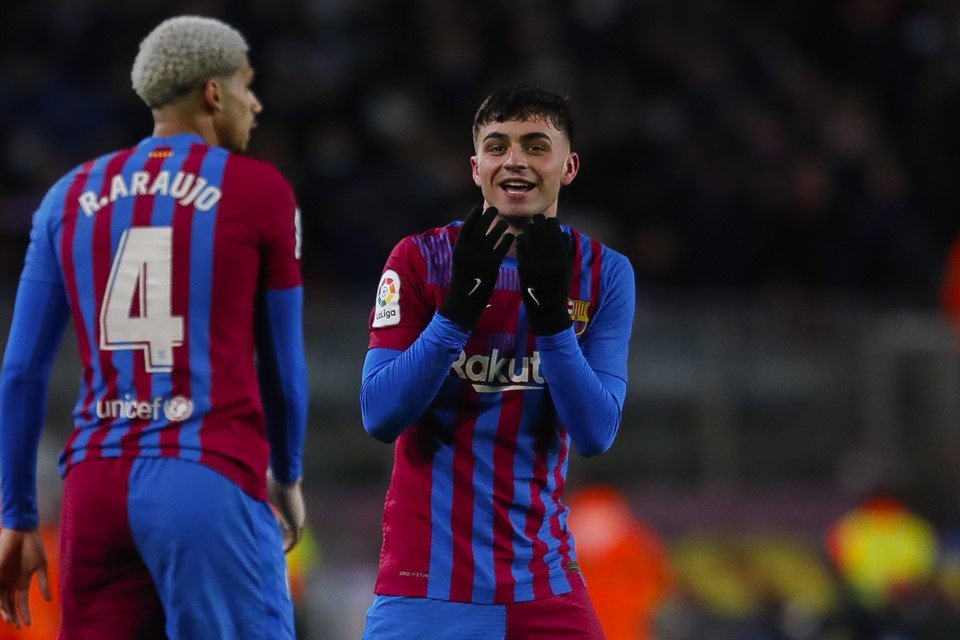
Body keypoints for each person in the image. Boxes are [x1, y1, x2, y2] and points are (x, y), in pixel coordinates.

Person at [0, 16, 308, 639]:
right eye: (247, 85)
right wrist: (288, 473)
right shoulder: (260, 190)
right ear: (213, 94)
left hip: (94, 486)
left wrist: (17, 516)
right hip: (205, 472)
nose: (257, 102)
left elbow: (20, 370)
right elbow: (281, 364)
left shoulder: (67, 195)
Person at [360, 84, 636, 640]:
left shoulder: (606, 273)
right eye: (498, 146)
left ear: (568, 166)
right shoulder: (417, 259)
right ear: (476, 166)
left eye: (536, 145)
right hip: (426, 586)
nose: (515, 160)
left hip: (545, 585)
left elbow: (596, 432)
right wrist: (457, 312)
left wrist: (552, 321)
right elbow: (380, 415)